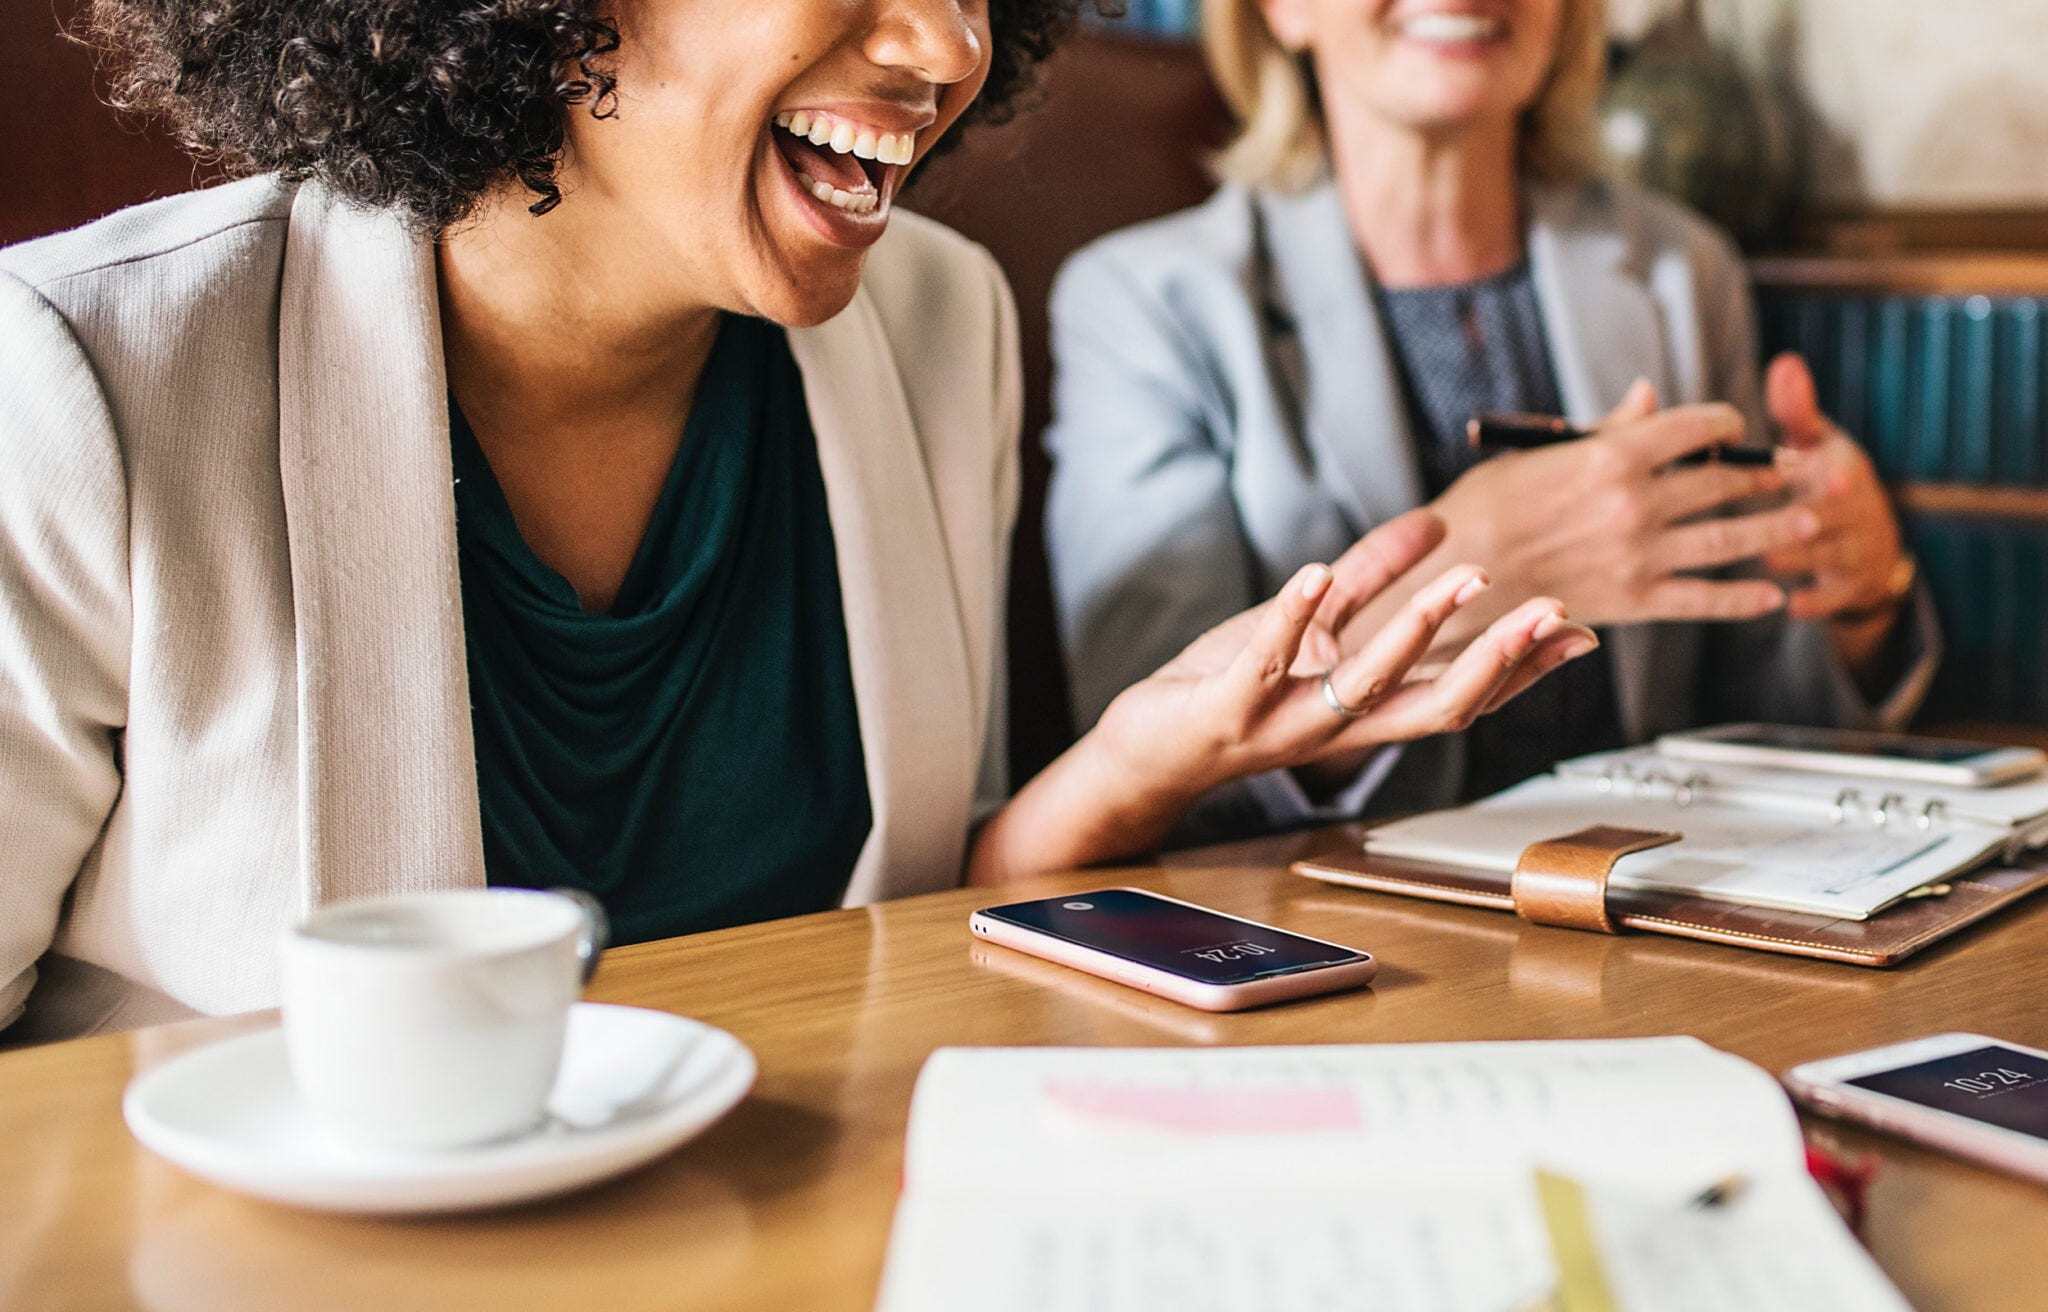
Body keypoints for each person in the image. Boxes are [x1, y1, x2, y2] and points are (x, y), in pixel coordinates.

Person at [0, 0, 1593, 1041]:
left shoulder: (936, 327)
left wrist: (1126, 764)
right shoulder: (83, 381)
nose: (947, 44)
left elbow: (878, 945)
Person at [1044, 0, 1938, 844]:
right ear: (1281, 9)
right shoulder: (1144, 305)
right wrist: (1477, 575)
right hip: (1327, 941)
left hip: (1651, 909)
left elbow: (1759, 717)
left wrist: (1863, 600)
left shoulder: (1679, 272)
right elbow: (1149, 760)